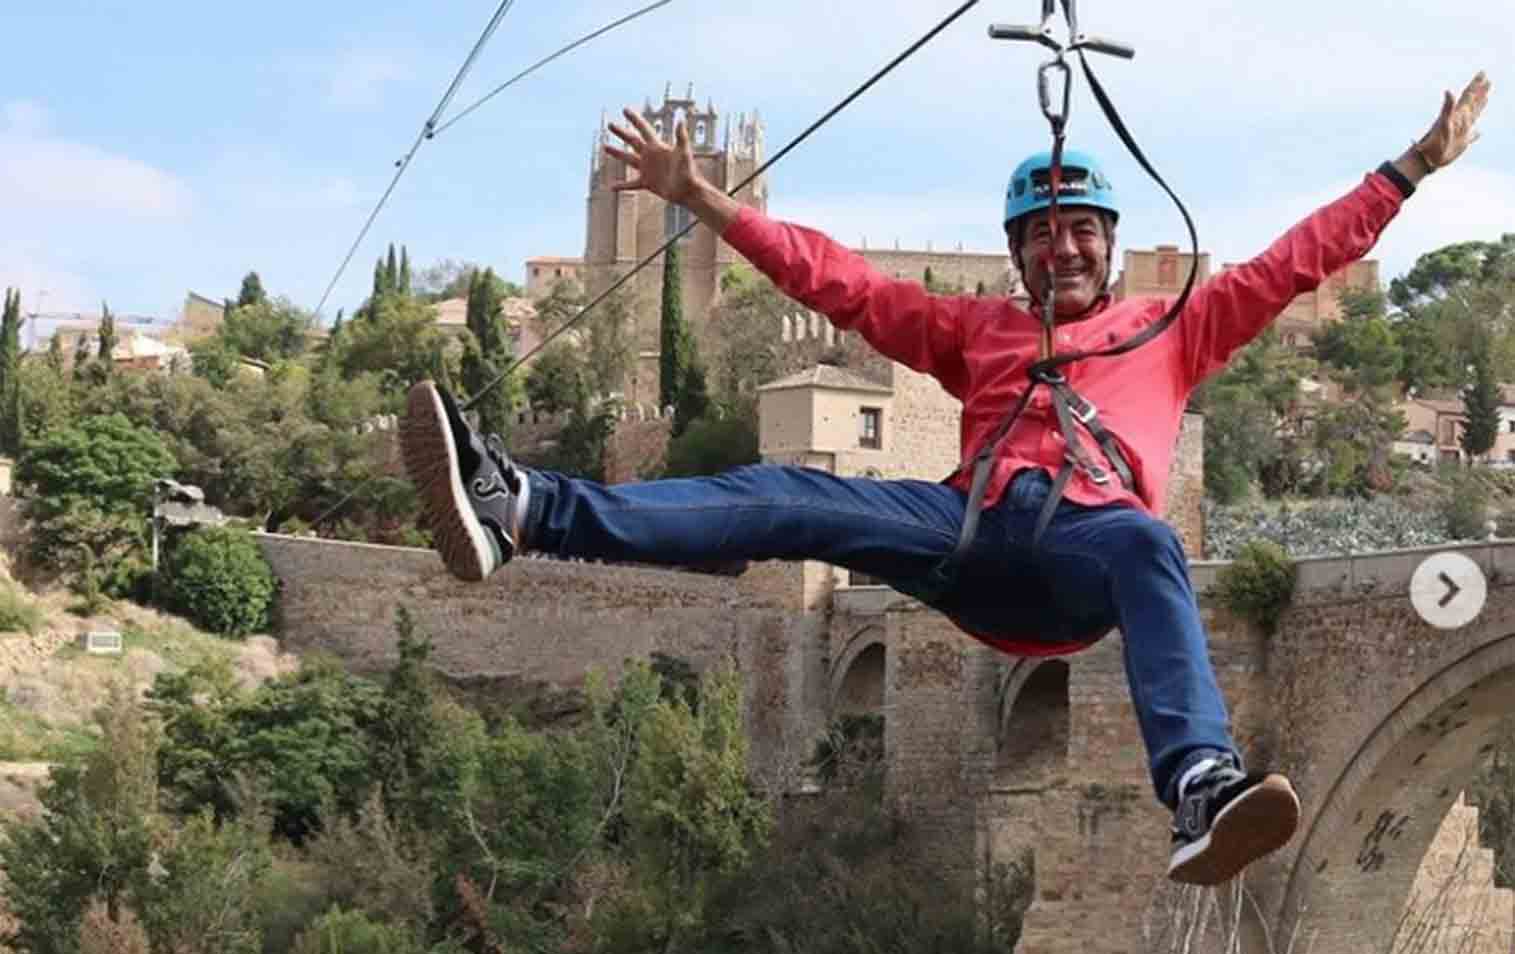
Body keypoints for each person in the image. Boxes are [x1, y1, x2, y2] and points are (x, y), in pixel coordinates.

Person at [400, 71, 1491, 885]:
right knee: (790, 495)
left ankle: (1199, 782)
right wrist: (710, 205)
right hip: (970, 534)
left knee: (1149, 541)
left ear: (1111, 245)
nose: (1061, 251)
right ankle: (524, 508)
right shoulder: (975, 332)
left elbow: (1302, 256)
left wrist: (1411, 165)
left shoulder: (1176, 327)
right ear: (1016, 254)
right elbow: (842, 285)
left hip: (1080, 557)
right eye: (1041, 237)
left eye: (1080, 233)